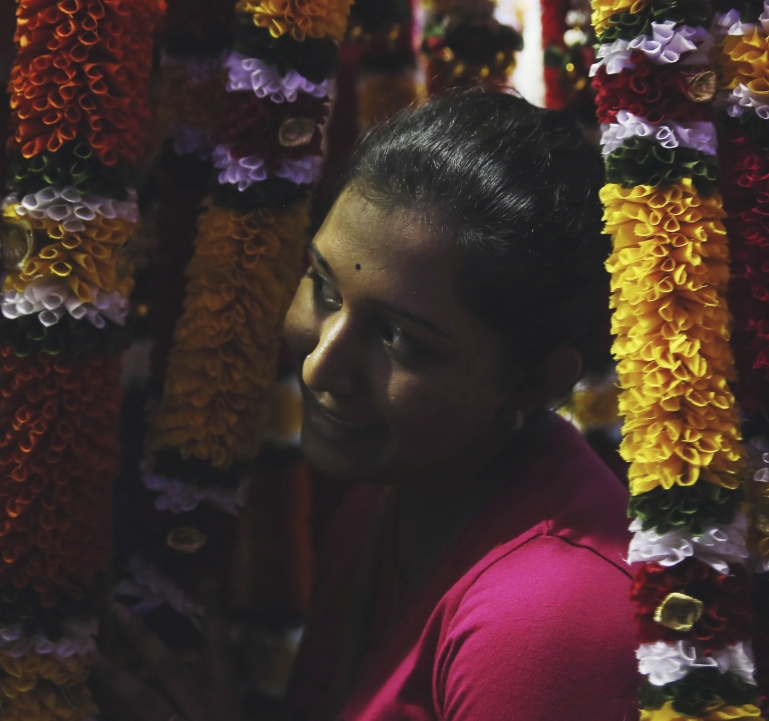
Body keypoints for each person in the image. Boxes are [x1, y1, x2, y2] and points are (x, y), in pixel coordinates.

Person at [96, 90, 641, 720]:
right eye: (324, 288)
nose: (321, 364)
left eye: (400, 338)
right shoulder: (380, 508)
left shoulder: (544, 614)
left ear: (535, 382)